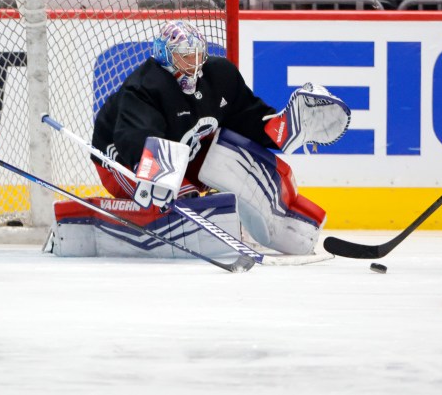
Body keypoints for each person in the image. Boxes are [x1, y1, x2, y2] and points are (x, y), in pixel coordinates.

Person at [90, 19, 350, 255]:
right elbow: (136, 135)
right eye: (184, 57)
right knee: (181, 195)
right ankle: (180, 210)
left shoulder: (220, 75)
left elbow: (247, 117)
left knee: (236, 159)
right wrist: (155, 173)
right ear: (164, 56)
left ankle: (289, 224)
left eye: (197, 55)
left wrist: (281, 129)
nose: (193, 63)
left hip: (184, 152)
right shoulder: (146, 86)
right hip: (122, 159)